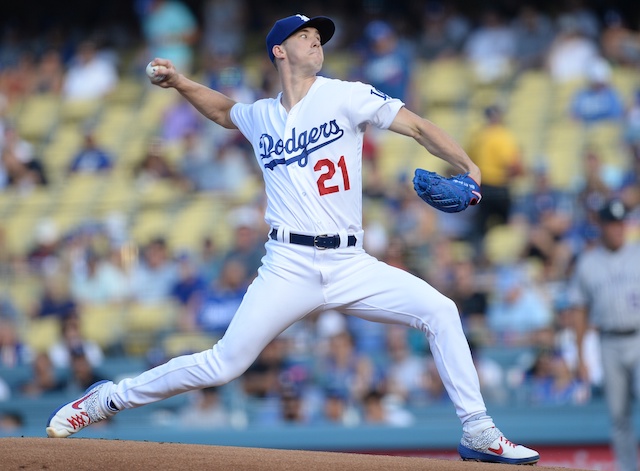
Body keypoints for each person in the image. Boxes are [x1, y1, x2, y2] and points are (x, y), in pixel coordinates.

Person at [45, 14, 539, 465]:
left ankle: (478, 431)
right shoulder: (261, 116)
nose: (316, 41)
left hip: (350, 262)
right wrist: (179, 82)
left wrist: (469, 167)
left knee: (442, 311)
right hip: (288, 263)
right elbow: (223, 111)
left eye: (319, 36)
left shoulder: (346, 94)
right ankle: (108, 399)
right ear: (279, 50)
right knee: (224, 363)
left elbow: (417, 126)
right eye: (305, 35)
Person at [569, 199, 640, 471]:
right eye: (612, 224)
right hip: (608, 342)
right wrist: (580, 356)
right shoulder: (588, 263)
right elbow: (579, 311)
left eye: (622, 223)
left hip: (639, 337)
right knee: (618, 414)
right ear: (601, 226)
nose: (618, 229)